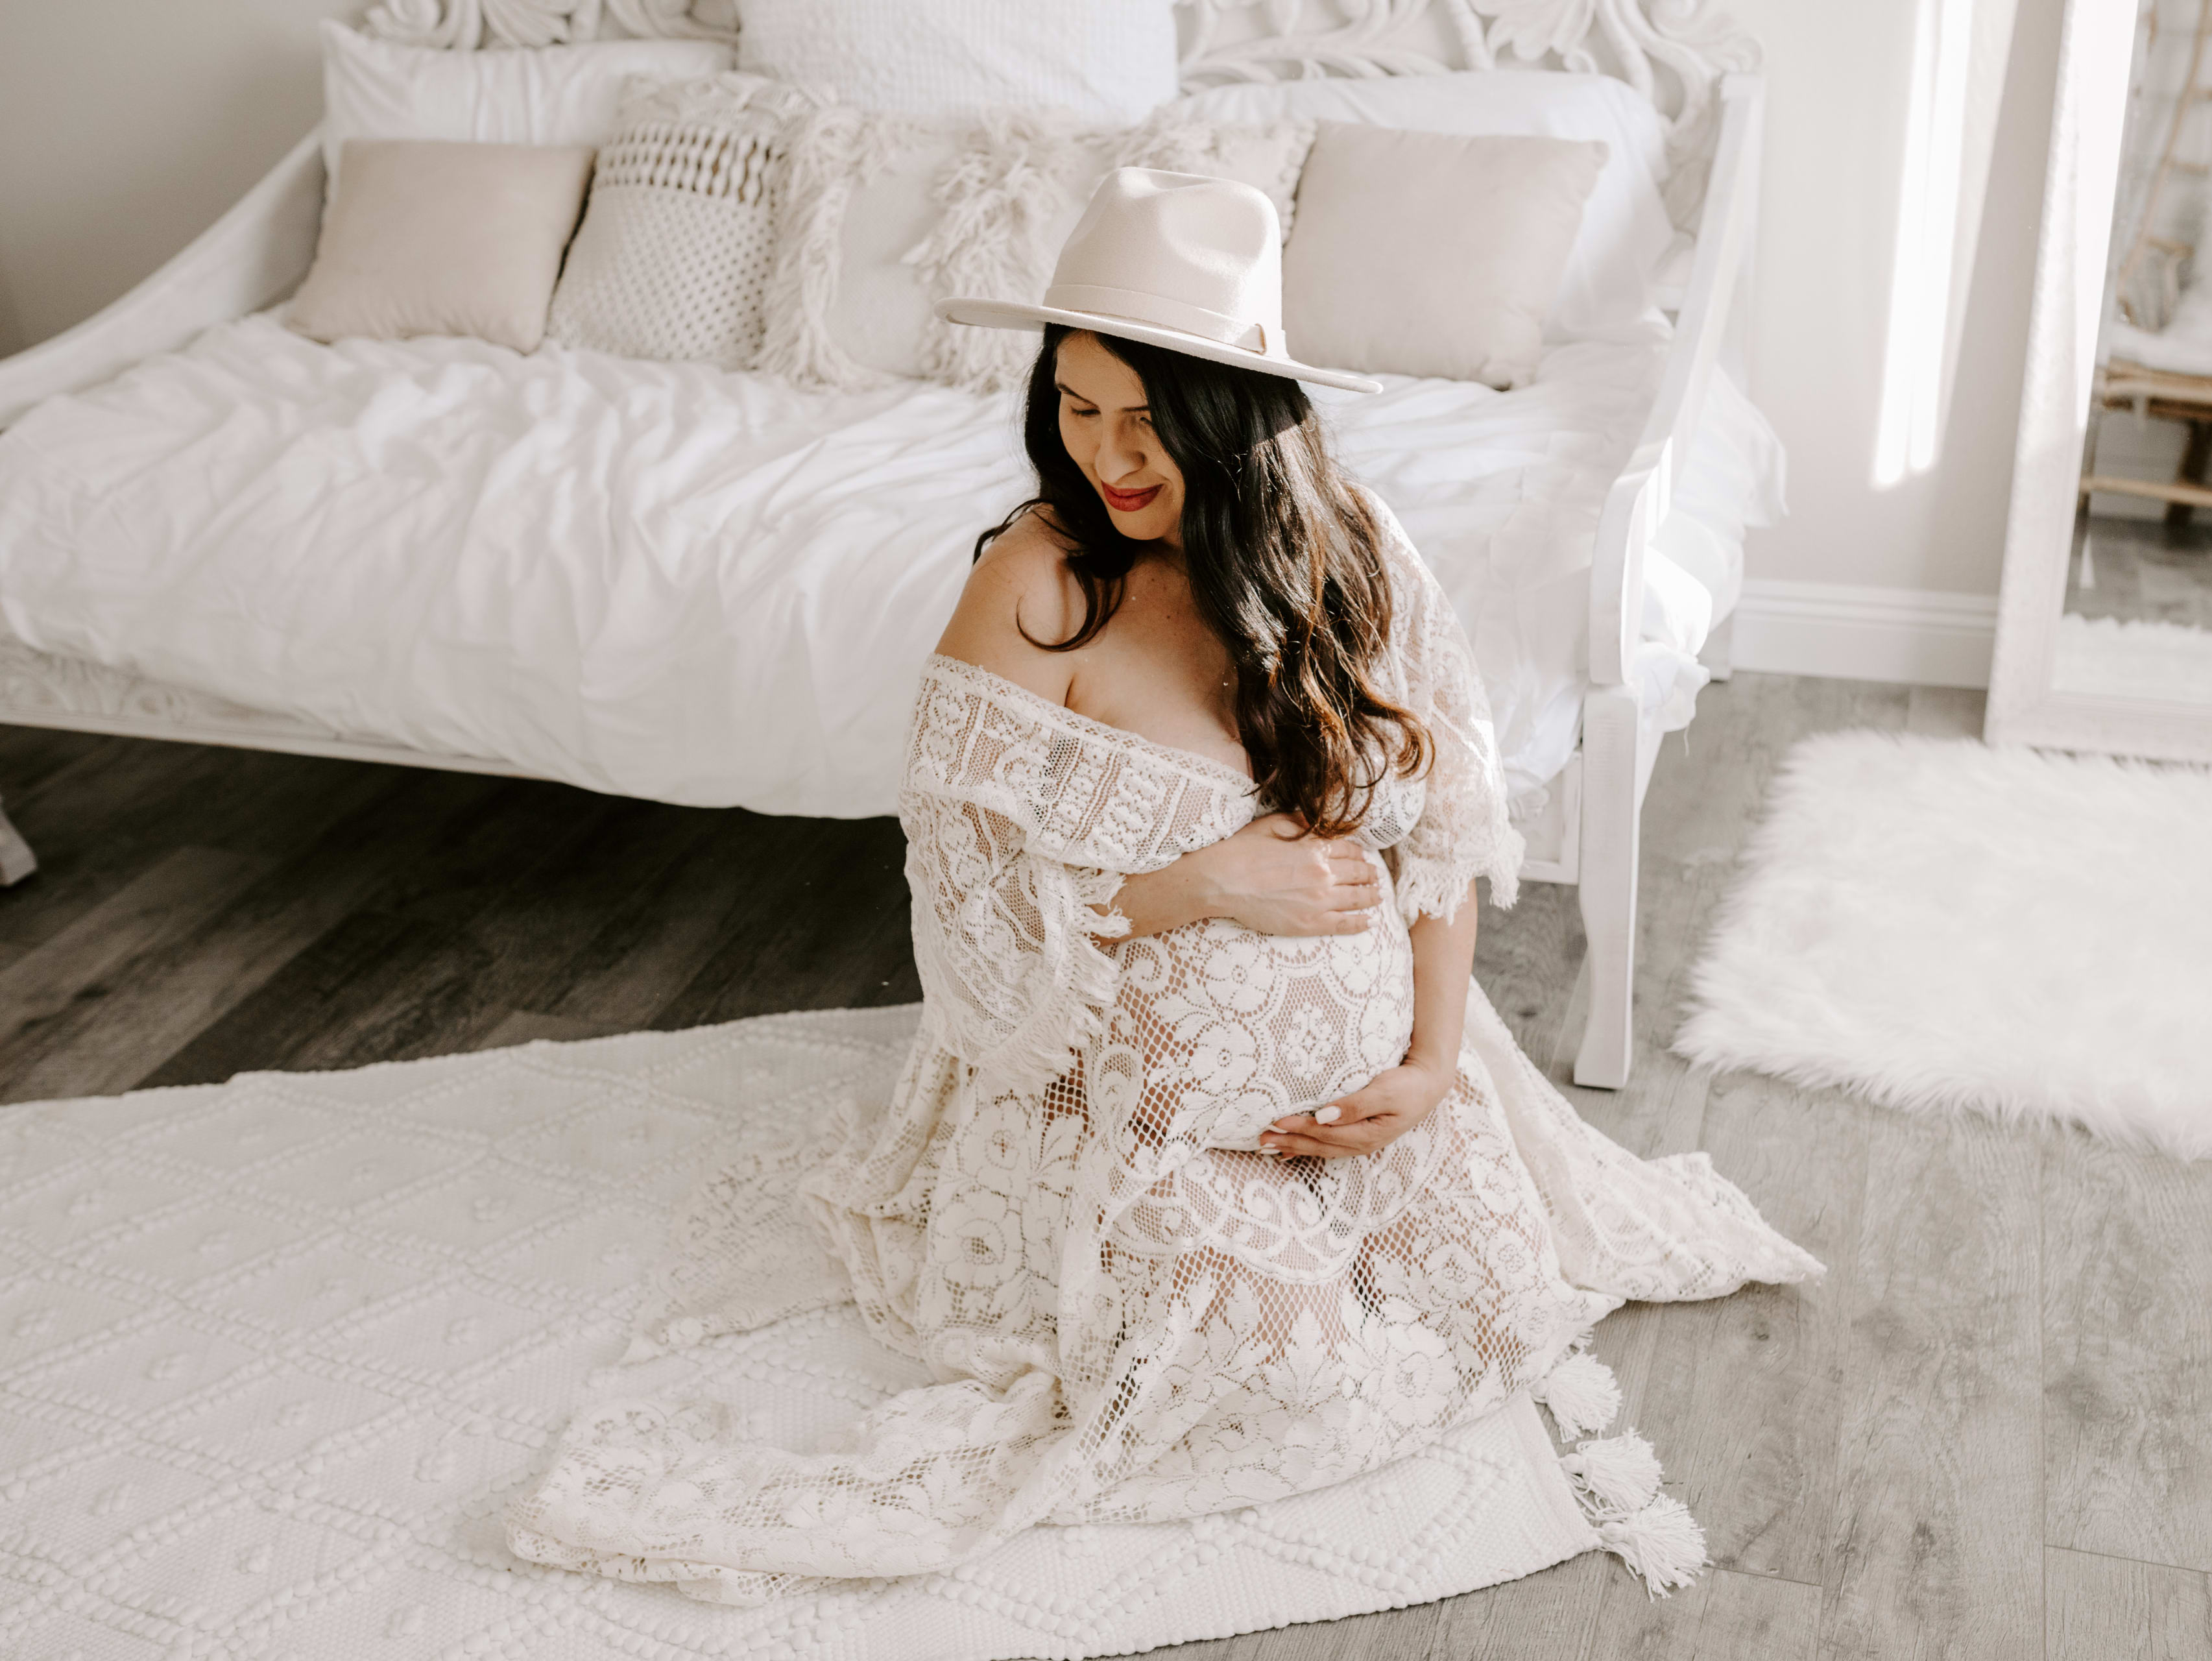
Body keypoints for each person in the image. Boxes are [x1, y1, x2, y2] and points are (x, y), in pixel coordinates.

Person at [508, 169, 1819, 1603]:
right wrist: (1198, 883)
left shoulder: (1356, 553)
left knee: (1492, 1292)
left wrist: (1437, 1058)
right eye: (1074, 406)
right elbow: (965, 916)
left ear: (1234, 418)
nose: (1107, 454)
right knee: (1273, 1371)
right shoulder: (1038, 576)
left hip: (1370, 1098)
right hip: (1118, 1112)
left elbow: (1441, 824)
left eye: (1146, 417)